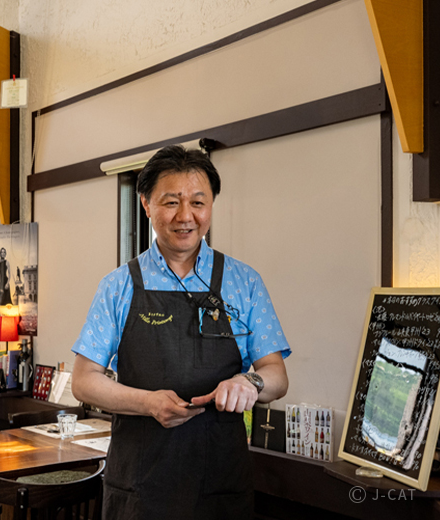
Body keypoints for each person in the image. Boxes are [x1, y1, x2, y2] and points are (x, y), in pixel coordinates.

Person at [71, 144, 290, 520]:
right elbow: (83, 381)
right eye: (171, 202)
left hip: (221, 484)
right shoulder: (118, 286)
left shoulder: (244, 282)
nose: (185, 216)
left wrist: (249, 382)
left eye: (198, 203)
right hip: (139, 486)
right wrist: (148, 403)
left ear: (211, 205)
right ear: (146, 204)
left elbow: (277, 376)